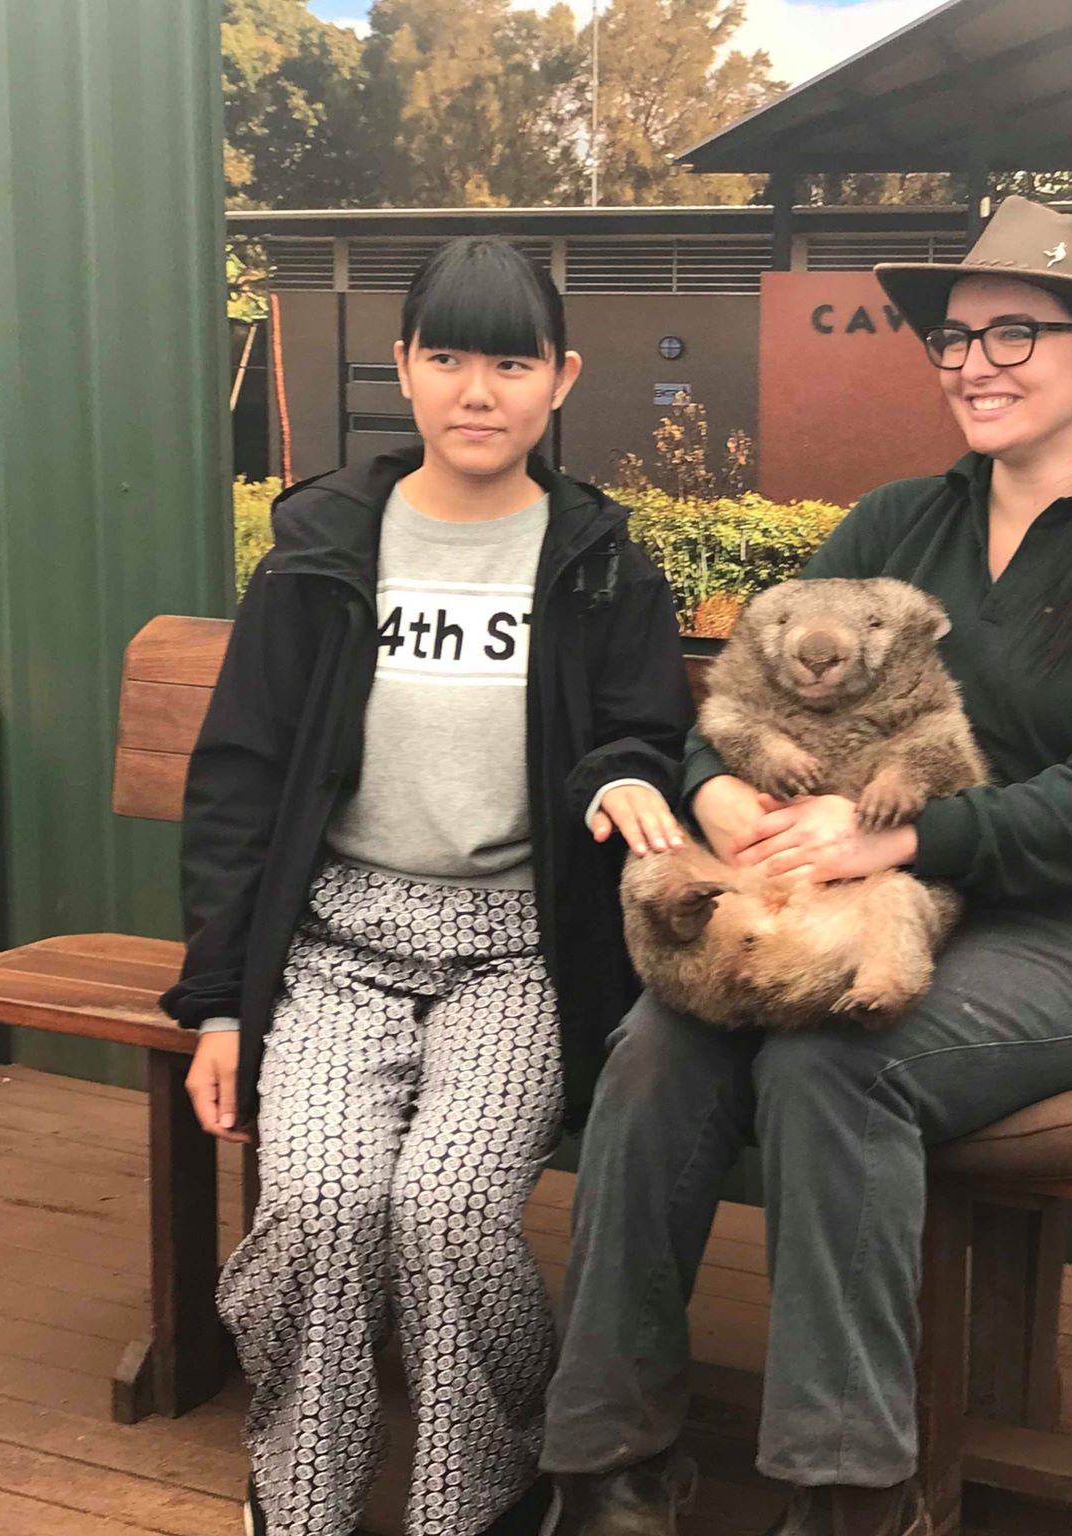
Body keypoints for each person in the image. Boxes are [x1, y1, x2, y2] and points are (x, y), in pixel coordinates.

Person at [538, 197, 1072, 1536]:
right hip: (856, 899)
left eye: (1013, 334)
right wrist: (719, 791)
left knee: (836, 1063)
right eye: (954, 339)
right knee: (654, 1052)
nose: (973, 363)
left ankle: (852, 1495)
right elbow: (745, 693)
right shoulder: (893, 526)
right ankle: (605, 1464)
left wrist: (894, 836)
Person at [160, 236, 694, 1536]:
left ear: (561, 378)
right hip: (337, 949)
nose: (477, 390)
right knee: (323, 1203)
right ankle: (300, 1494)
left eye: (511, 362)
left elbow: (641, 728)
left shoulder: (601, 564)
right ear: (403, 368)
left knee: (448, 1213)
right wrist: (221, 1005)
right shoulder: (322, 552)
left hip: (519, 956)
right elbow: (239, 778)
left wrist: (627, 777)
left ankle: (481, 1491)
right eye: (447, 356)